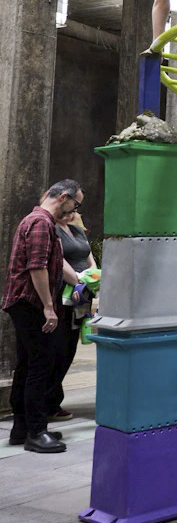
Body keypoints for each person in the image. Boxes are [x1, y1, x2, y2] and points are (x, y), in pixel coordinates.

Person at [4, 179, 82, 453]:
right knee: (40, 366)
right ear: (63, 197)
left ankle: (22, 429)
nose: (74, 210)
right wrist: (49, 307)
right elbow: (37, 268)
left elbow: (57, 264)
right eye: (75, 203)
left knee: (27, 365)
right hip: (31, 304)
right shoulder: (41, 223)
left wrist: (81, 282)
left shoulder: (39, 222)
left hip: (25, 303)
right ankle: (36, 432)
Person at [48, 210, 96, 423]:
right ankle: (48, 401)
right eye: (72, 207)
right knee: (56, 348)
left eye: (77, 208)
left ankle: (53, 399)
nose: (75, 212)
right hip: (64, 292)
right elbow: (58, 261)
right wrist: (78, 280)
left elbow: (90, 260)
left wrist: (90, 279)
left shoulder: (77, 231)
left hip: (82, 294)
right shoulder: (53, 229)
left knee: (70, 347)